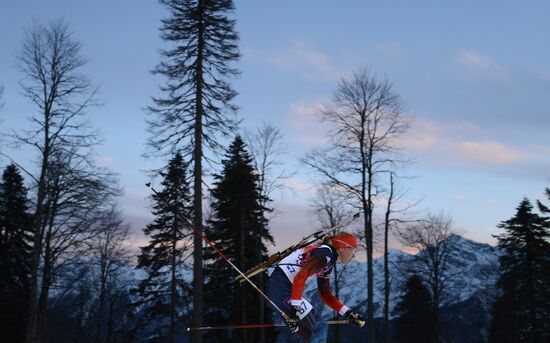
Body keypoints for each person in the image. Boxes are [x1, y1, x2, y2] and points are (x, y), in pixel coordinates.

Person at [266, 232, 365, 342]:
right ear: (342, 248)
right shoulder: (325, 256)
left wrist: (348, 313)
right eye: (353, 250)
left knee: (314, 328)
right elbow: (300, 276)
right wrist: (295, 312)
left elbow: (325, 294)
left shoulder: (328, 260)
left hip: (283, 288)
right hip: (280, 288)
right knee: (318, 327)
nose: (354, 255)